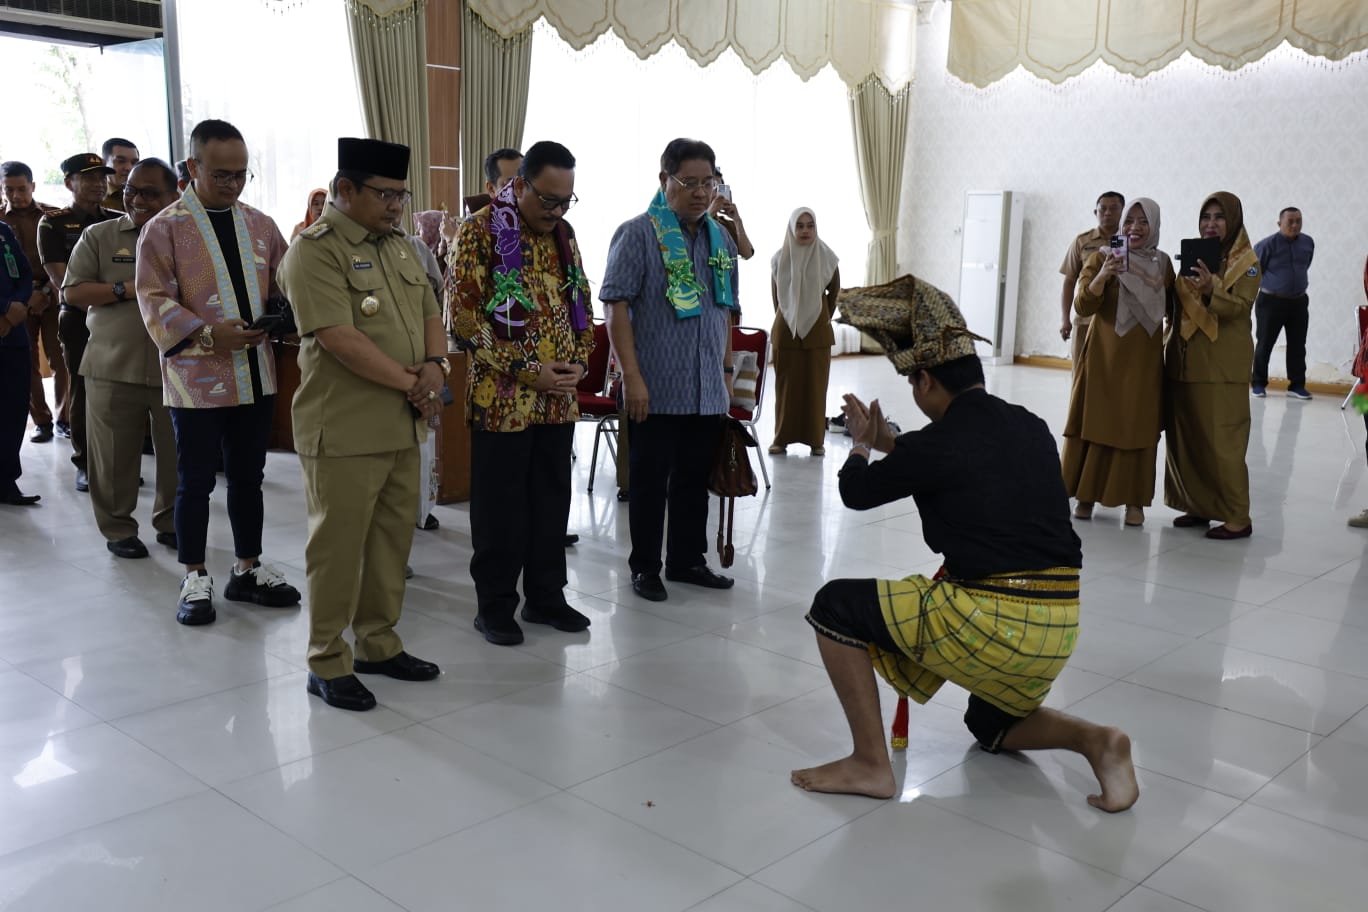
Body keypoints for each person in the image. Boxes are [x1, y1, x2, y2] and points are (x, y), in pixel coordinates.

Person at [789, 275, 1138, 812]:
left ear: (924, 380)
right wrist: (888, 441)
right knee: (987, 721)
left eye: (913, 385)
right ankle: (1096, 740)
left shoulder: (938, 444)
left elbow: (857, 493)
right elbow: (958, 460)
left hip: (994, 622)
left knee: (834, 606)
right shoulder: (1030, 426)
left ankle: (869, 763)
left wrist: (860, 446)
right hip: (1058, 625)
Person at [278, 137, 443, 710]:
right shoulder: (313, 252)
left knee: (392, 542)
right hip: (344, 427)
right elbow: (338, 338)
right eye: (384, 194)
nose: (396, 205)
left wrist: (437, 367)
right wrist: (414, 383)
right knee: (338, 547)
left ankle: (378, 641)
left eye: (402, 194)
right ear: (345, 189)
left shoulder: (399, 246)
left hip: (401, 424)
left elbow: (430, 311)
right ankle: (326, 659)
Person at [136, 119, 301, 625]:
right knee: (196, 482)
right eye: (221, 175)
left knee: (249, 477)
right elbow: (152, 298)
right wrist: (210, 334)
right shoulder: (163, 228)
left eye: (241, 175)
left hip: (256, 371)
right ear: (192, 167)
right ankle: (194, 574)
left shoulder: (261, 225)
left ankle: (247, 569)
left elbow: (287, 280)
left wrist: (283, 313)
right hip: (197, 380)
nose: (232, 185)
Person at [449, 140, 594, 645]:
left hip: (559, 400)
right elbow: (464, 319)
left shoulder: (564, 233)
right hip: (503, 401)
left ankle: (547, 599)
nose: (556, 212)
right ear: (521, 183)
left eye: (565, 202)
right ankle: (494, 607)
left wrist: (581, 358)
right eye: (548, 200)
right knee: (500, 508)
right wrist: (528, 369)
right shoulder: (481, 230)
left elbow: (580, 299)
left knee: (551, 503)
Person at [600, 138, 739, 602]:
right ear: (665, 182)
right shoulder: (638, 233)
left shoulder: (722, 239)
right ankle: (645, 567)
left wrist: (725, 374)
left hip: (706, 390)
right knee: (648, 480)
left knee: (694, 480)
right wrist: (631, 376)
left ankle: (687, 560)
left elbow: (726, 311)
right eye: (690, 182)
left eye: (709, 182)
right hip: (655, 386)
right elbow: (615, 307)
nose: (701, 192)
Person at [62, 159, 180, 559]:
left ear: (175, 194)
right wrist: (126, 289)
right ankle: (118, 528)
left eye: (150, 193)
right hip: (113, 365)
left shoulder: (191, 238)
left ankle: (171, 522)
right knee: (113, 455)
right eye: (131, 190)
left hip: (178, 368)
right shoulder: (100, 236)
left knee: (178, 453)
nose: (138, 200)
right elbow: (72, 293)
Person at [1062, 198, 1173, 528]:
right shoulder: (1101, 256)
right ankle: (1086, 495)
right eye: (1130, 221)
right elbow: (1082, 305)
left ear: (1154, 226)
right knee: (1098, 419)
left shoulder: (1164, 264)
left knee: (1137, 425)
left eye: (1143, 222)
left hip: (1143, 362)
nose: (1134, 228)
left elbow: (1175, 309)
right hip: (1104, 358)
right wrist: (1103, 276)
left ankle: (1134, 501)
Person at [1165, 191, 1260, 540]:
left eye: (1219, 217)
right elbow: (1174, 309)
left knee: (1224, 442)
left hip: (1222, 366)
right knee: (1189, 439)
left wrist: (1211, 288)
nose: (1210, 224)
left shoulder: (1246, 262)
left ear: (1232, 220)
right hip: (1185, 362)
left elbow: (1239, 307)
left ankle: (1238, 516)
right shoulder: (1193, 257)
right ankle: (1198, 505)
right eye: (1206, 217)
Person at [38, 153, 119, 491]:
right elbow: (62, 281)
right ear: (70, 182)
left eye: (103, 176)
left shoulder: (120, 219)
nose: (98, 183)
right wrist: (109, 294)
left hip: (119, 320)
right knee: (84, 390)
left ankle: (117, 461)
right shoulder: (53, 223)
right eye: (88, 177)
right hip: (79, 320)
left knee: (119, 394)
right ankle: (85, 463)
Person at [0, 161, 67, 444]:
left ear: (33, 186)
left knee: (60, 356)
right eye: (9, 189)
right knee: (25, 362)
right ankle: (41, 420)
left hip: (52, 296)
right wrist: (25, 299)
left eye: (22, 188)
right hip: (16, 304)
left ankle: (66, 418)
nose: (16, 195)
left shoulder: (53, 215)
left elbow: (66, 259)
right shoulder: (2, 221)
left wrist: (48, 293)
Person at [768, 207, 840, 457]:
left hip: (817, 333)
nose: (805, 230)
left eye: (810, 225)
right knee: (785, 388)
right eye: (799, 225)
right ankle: (781, 439)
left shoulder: (827, 257)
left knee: (816, 387)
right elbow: (776, 297)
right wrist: (788, 316)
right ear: (791, 228)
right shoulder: (779, 258)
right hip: (786, 331)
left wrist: (821, 318)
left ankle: (815, 440)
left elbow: (834, 292)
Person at [1250, 207, 1314, 399]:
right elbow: (1254, 272)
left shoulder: (1307, 242)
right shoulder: (1266, 245)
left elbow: (1306, 263)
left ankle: (1297, 385)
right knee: (1265, 343)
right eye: (1290, 221)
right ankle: (1258, 384)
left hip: (1299, 302)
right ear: (1279, 224)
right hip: (1271, 301)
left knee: (1298, 345)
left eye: (1298, 221)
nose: (1295, 225)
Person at [1060, 192, 1124, 366]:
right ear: (1095, 212)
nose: (1108, 213)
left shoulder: (1130, 242)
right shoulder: (1082, 242)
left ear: (1123, 211)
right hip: (1085, 318)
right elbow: (1069, 281)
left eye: (1114, 208)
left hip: (1117, 321)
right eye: (1103, 209)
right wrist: (1065, 319)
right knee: (1081, 371)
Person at [1, 218, 37, 505]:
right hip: (7, 318)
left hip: (13, 335)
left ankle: (6, 480)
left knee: (13, 409)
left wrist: (18, 306)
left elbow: (24, 274)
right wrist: (3, 309)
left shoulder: (2, 230)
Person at [708, 169, 754, 260]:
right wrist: (709, 213)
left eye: (720, 187)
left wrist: (737, 220)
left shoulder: (725, 224)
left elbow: (747, 254)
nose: (717, 193)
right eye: (713, 186)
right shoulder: (691, 220)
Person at [101, 138, 140, 212]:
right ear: (104, 164)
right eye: (121, 161)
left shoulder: (145, 197)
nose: (129, 168)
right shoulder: (96, 201)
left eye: (134, 162)